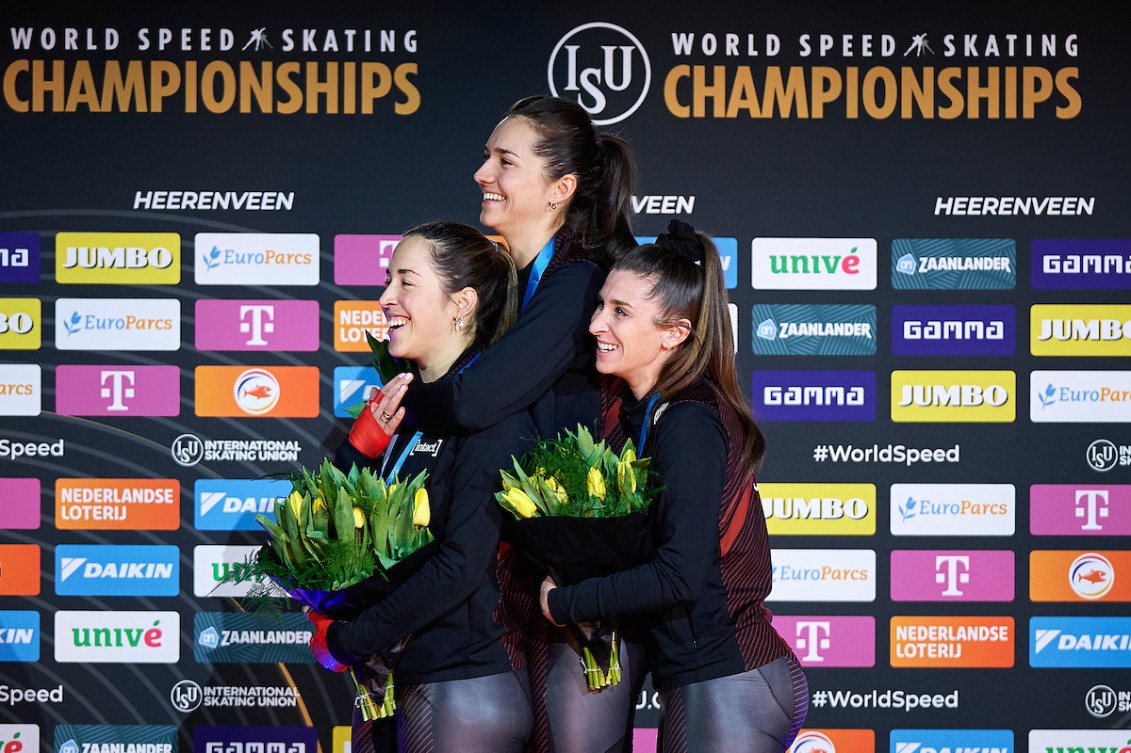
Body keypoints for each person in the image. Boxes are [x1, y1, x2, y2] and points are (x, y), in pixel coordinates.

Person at [351, 95, 646, 753]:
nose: (482, 173)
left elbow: (473, 400)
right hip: (527, 593)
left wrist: (398, 404)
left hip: (579, 594)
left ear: (559, 189)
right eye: (487, 157)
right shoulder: (526, 285)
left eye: (503, 161)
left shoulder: (576, 283)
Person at [540, 220, 809, 753]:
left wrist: (566, 602)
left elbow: (680, 575)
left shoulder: (688, 419)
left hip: (732, 677)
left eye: (620, 312)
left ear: (674, 334)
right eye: (600, 306)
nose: (596, 324)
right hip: (710, 680)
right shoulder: (651, 414)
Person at [307, 221, 533, 753]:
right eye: (389, 280)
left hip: (460, 683)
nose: (386, 298)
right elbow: (346, 532)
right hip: (396, 680)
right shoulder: (407, 411)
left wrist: (346, 639)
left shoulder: (493, 418)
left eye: (406, 282)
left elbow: (459, 566)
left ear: (461, 304)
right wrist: (355, 453)